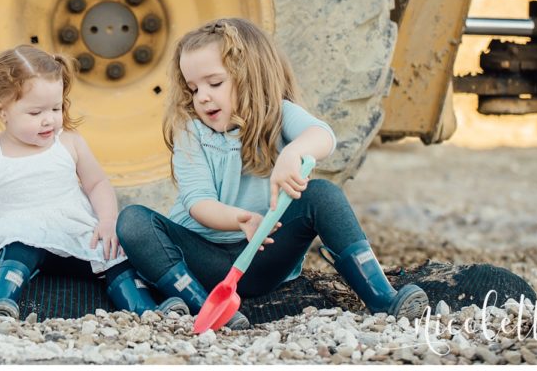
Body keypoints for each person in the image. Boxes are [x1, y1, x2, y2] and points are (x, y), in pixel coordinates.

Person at [116, 18, 428, 323]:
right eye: (193, 88)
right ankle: (205, 307)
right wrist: (240, 220)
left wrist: (292, 153)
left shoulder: (279, 114)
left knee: (323, 195)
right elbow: (199, 203)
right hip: (201, 262)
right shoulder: (191, 132)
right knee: (132, 221)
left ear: (251, 76)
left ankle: (382, 297)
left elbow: (323, 137)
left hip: (262, 258)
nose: (202, 97)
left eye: (214, 83)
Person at [0, 46, 159, 318]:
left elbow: (96, 184)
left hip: (74, 236)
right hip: (24, 244)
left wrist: (107, 221)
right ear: (3, 111)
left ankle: (143, 308)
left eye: (56, 108)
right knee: (15, 243)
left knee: (113, 254)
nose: (49, 119)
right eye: (35, 113)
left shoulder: (69, 142)